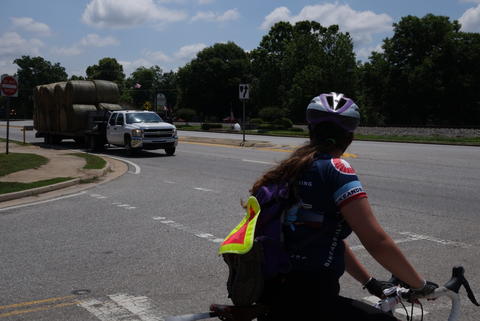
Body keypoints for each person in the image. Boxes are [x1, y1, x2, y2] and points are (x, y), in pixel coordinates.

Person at [251, 92, 437, 321]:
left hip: (274, 294)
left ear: (310, 130)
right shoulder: (337, 169)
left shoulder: (289, 170)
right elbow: (376, 242)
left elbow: (329, 238)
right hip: (312, 301)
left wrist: (369, 282)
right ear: (349, 137)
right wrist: (419, 284)